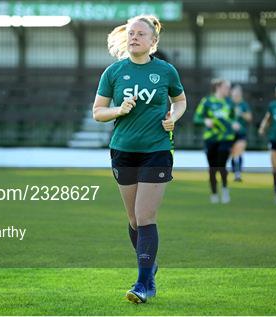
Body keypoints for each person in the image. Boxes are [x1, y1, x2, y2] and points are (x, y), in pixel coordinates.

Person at [92, 15, 187, 304]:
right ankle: (150, 265)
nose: (134, 37)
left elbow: (180, 101)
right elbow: (98, 112)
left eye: (141, 34)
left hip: (156, 151)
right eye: (131, 33)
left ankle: (144, 283)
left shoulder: (166, 71)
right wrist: (119, 110)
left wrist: (174, 117)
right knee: (133, 219)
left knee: (146, 216)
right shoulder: (114, 72)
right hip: (123, 150)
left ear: (153, 41)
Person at [194, 79, 239, 204]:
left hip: (226, 138)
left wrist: (235, 123)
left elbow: (233, 118)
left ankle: (224, 189)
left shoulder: (230, 103)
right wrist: (205, 121)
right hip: (211, 138)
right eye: (227, 87)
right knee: (212, 167)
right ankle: (214, 193)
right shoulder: (207, 101)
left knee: (222, 165)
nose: (229, 90)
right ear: (218, 87)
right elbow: (197, 117)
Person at [229, 85, 252, 182]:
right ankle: (235, 170)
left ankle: (237, 174)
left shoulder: (244, 105)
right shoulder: (228, 104)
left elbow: (249, 118)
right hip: (229, 133)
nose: (236, 95)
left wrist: (241, 113)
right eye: (234, 93)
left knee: (238, 152)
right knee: (233, 153)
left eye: (238, 93)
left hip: (241, 133)